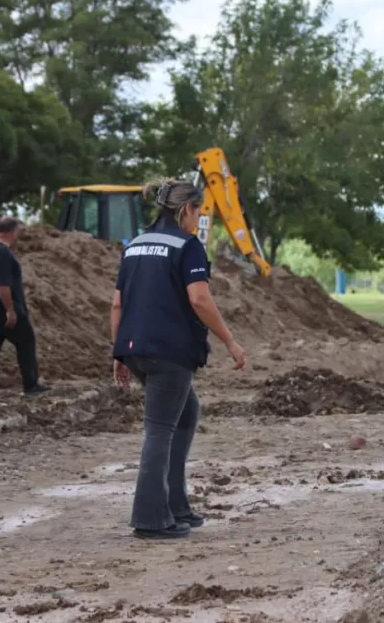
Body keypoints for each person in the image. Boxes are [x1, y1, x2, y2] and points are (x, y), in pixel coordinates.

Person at [112, 179, 246, 540]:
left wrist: (119, 352)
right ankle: (151, 518)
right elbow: (199, 300)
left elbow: (118, 303)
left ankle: (176, 505)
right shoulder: (187, 246)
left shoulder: (135, 245)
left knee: (186, 412)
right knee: (160, 429)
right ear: (186, 209)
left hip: (135, 348)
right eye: (198, 212)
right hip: (169, 352)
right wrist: (230, 341)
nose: (198, 219)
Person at [0, 216, 49, 396]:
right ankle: (30, 384)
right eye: (17, 232)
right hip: (3, 310)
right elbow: (3, 286)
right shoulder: (3, 253)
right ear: (11, 232)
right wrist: (10, 310)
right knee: (26, 341)